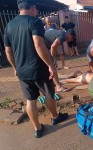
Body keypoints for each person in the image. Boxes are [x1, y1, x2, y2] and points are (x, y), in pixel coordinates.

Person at [4, 0, 68, 138]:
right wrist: (51, 65)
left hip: (22, 70)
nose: (37, 11)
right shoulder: (35, 21)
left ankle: (37, 129)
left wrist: (15, 67)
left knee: (30, 100)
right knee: (48, 95)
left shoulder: (9, 25)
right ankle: (56, 117)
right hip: (39, 69)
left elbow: (8, 51)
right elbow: (39, 45)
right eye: (36, 9)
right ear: (32, 8)